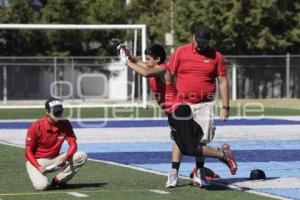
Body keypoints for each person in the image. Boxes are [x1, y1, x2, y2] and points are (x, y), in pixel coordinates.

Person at [118, 43, 237, 188]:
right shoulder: (153, 66)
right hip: (173, 113)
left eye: (149, 59)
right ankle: (178, 172)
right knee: (183, 145)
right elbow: (140, 63)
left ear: (158, 59)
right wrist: (128, 55)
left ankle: (224, 155)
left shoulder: (161, 69)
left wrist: (126, 62)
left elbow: (145, 73)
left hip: (179, 111)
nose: (146, 61)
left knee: (191, 148)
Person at [166, 25, 237, 188]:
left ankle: (200, 172)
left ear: (208, 42)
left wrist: (225, 106)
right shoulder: (180, 52)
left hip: (204, 104)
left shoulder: (216, 56)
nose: (200, 45)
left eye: (204, 43)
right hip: (181, 104)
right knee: (179, 137)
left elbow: (223, 81)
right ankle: (174, 173)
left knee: (201, 141)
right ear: (193, 37)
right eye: (198, 41)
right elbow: (169, 76)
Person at [25, 98, 87, 190]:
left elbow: (73, 145)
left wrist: (64, 158)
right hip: (37, 161)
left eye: (60, 112)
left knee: (82, 156)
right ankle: (41, 177)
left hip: (56, 159)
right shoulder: (36, 126)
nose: (59, 115)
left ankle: (58, 180)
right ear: (47, 112)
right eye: (56, 113)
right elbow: (28, 151)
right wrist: (38, 166)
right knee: (41, 186)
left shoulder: (65, 123)